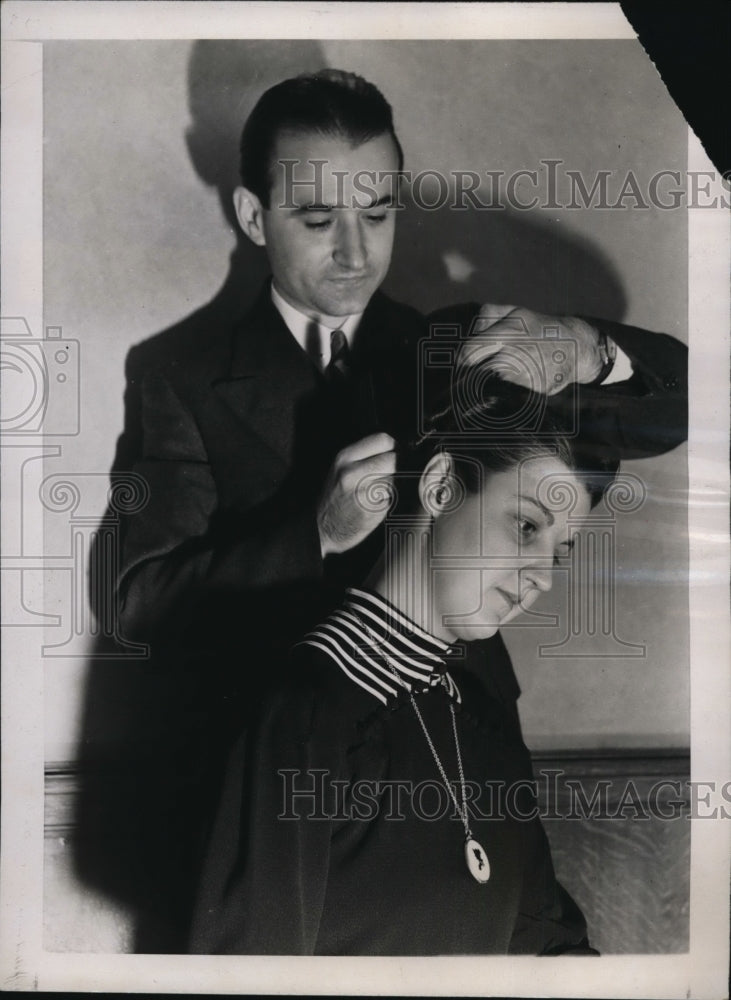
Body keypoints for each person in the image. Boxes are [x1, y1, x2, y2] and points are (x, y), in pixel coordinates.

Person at [111, 68, 687, 949]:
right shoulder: (180, 377)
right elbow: (139, 606)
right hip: (291, 797)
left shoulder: (441, 348)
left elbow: (684, 408)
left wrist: (583, 348)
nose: (354, 252)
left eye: (377, 213)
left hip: (460, 745)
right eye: (316, 220)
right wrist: (310, 535)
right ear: (252, 216)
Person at [189, 382, 619, 955]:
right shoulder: (302, 713)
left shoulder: (483, 722)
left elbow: (547, 945)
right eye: (526, 527)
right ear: (440, 487)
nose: (542, 574)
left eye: (559, 551)